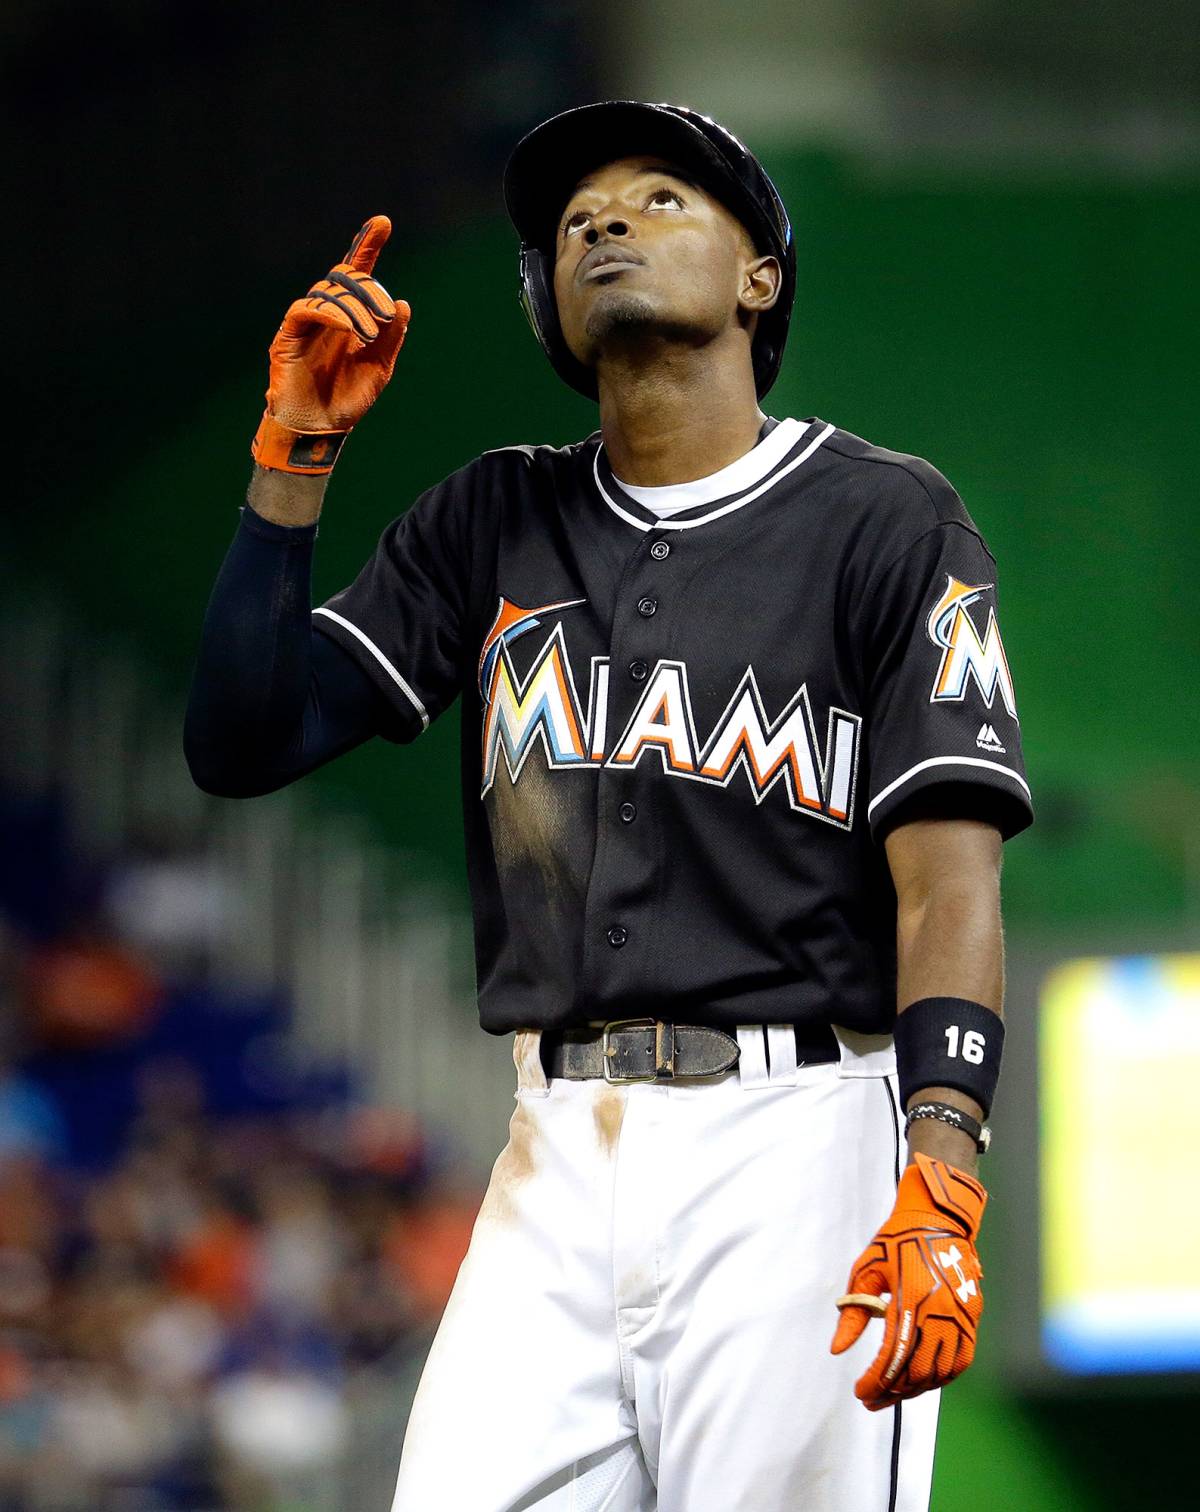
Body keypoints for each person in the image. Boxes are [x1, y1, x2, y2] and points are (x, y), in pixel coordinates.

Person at [185, 101, 1032, 1512]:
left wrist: (943, 1169)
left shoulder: (885, 519)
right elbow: (240, 739)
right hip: (552, 1154)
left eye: (659, 198)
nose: (600, 222)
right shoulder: (489, 519)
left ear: (761, 277)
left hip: (800, 1136)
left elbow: (949, 886)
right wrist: (291, 461)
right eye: (576, 216)